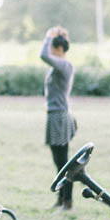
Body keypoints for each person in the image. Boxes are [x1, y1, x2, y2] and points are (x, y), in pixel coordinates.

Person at [40, 26, 76, 210]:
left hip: (59, 117)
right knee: (58, 161)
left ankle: (67, 201)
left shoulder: (64, 65)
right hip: (55, 116)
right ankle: (62, 198)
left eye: (52, 48)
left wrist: (49, 36)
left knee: (63, 161)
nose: (50, 52)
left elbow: (43, 55)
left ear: (59, 49)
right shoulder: (60, 66)